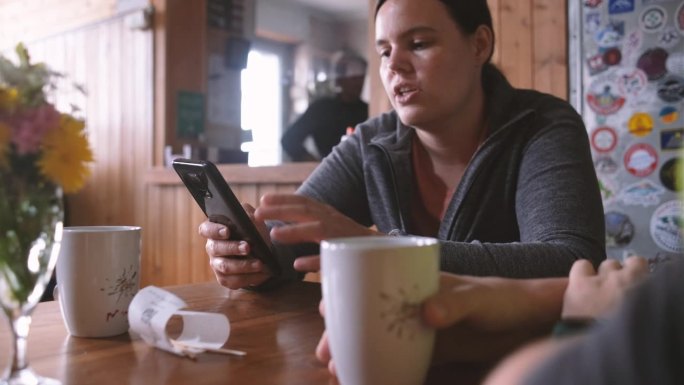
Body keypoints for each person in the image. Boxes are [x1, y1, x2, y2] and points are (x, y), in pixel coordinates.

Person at [200, 0, 605, 291]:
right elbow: (289, 245)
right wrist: (251, 257)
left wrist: (377, 247)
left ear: (479, 45)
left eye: (419, 43)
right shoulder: (371, 143)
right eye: (384, 51)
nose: (394, 65)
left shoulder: (541, 126)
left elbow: (570, 261)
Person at [281, 51, 369, 162]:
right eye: (353, 78)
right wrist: (316, 165)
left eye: (361, 78)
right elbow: (289, 140)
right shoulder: (321, 109)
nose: (358, 83)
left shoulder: (368, 111)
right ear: (340, 80)